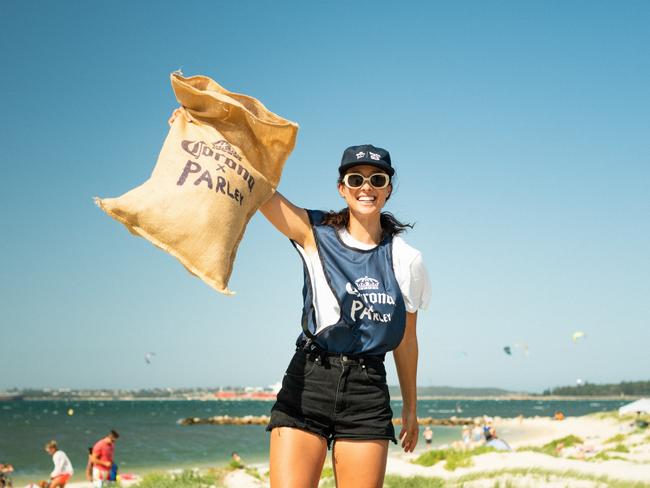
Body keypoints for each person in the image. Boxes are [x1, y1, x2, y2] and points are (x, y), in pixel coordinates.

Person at [260, 144, 431, 488]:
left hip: (366, 392)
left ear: (388, 189)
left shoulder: (407, 259)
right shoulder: (315, 232)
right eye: (356, 179)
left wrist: (411, 408)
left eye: (376, 180)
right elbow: (260, 193)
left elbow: (406, 340)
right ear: (342, 188)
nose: (366, 187)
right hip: (309, 380)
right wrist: (206, 125)